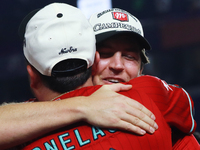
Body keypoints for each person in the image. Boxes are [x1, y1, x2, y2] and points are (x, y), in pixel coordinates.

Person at [6, 3, 174, 150]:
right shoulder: (26, 118)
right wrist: (84, 106)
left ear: (141, 69)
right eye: (106, 53)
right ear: (92, 60)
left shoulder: (154, 95)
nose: (117, 65)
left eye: (129, 56)